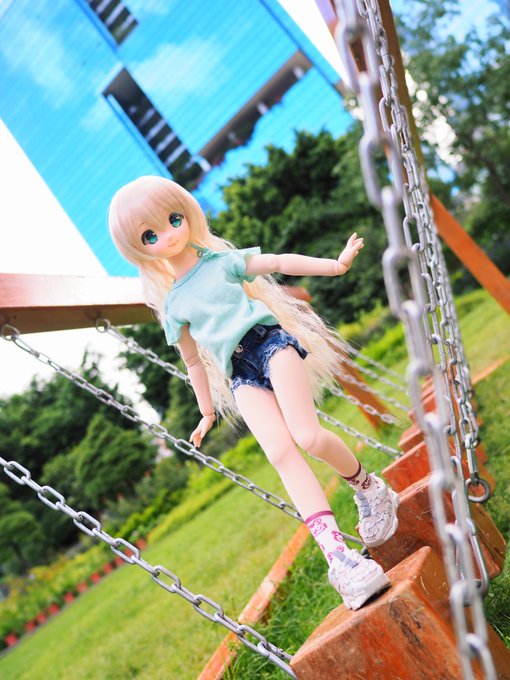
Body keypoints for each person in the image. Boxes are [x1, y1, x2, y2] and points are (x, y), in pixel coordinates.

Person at [108, 175, 399, 610]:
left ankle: (370, 489)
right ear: (139, 249)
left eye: (173, 220)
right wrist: (206, 412)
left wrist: (335, 265)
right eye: (150, 236)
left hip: (270, 344)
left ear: (187, 214)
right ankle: (339, 558)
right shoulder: (173, 305)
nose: (167, 236)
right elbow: (193, 362)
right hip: (239, 374)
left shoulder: (221, 262)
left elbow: (277, 261)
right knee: (280, 454)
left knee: (307, 435)